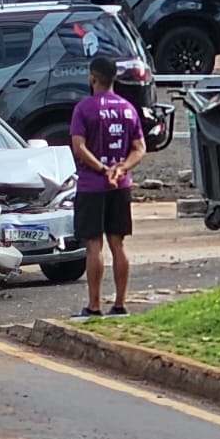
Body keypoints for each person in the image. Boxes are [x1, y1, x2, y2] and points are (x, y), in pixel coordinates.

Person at [69, 55, 146, 319]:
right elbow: (139, 148)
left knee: (94, 245)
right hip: (120, 186)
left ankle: (94, 305)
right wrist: (121, 168)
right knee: (118, 244)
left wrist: (102, 170)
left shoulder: (84, 109)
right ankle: (121, 303)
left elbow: (79, 147)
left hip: (92, 185)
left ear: (93, 77)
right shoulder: (128, 108)